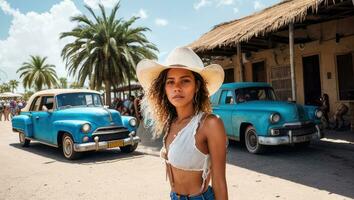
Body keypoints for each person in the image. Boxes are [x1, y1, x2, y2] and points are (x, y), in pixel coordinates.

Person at [137, 47, 228, 200]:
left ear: (197, 86)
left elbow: (219, 182)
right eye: (170, 82)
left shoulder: (210, 124)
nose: (177, 88)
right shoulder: (170, 122)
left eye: (185, 81)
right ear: (164, 88)